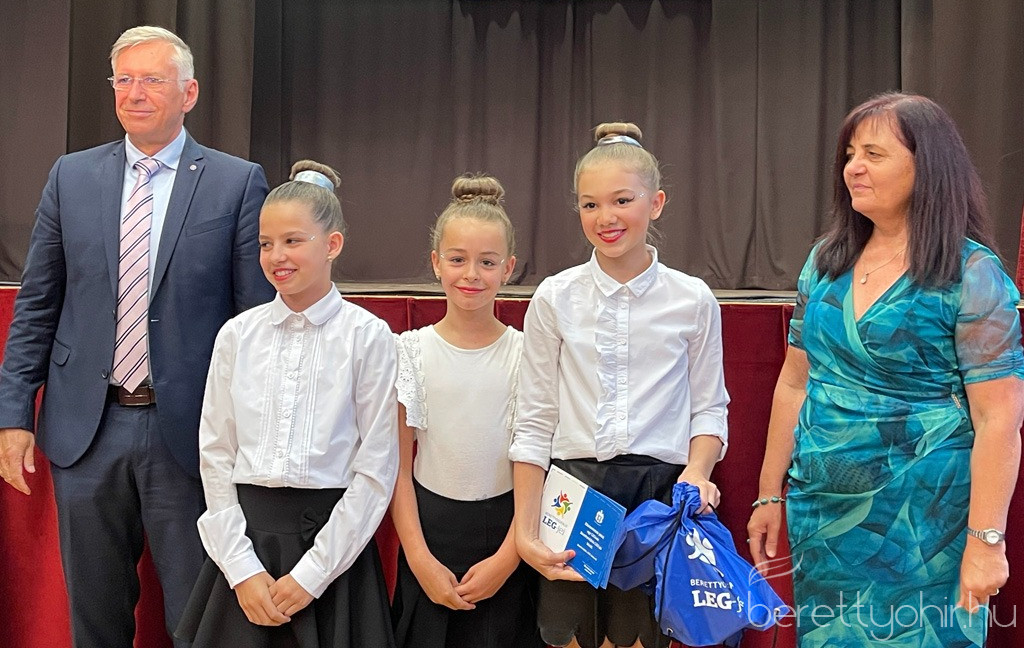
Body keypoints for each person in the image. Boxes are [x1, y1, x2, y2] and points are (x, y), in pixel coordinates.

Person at [0, 26, 273, 647]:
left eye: (151, 79)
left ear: (189, 93)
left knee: (197, 620)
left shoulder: (234, 182)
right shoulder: (72, 177)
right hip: (86, 431)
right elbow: (37, 304)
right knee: (94, 618)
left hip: (192, 434)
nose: (134, 93)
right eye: (123, 80)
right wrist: (13, 412)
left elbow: (254, 322)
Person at [746, 92, 1024, 647]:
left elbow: (999, 420)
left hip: (925, 527)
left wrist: (986, 541)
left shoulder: (971, 273)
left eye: (874, 154)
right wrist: (769, 493)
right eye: (850, 154)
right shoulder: (824, 262)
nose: (854, 167)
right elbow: (795, 382)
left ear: (928, 166)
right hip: (824, 517)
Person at [510, 123, 730, 648]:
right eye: (590, 205)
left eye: (622, 200)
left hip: (657, 498)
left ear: (656, 203)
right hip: (573, 495)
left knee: (639, 639)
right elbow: (534, 419)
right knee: (567, 636)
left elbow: (709, 408)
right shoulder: (555, 297)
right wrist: (524, 530)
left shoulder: (693, 299)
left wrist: (697, 473)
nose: (605, 217)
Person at [176, 160, 399, 648]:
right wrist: (240, 567)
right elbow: (216, 454)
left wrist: (312, 575)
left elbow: (376, 469)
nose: (277, 255)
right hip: (246, 550)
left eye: (293, 240)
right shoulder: (237, 335)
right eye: (265, 243)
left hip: (332, 552)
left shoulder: (368, 337)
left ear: (332, 244)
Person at [390, 174, 542, 648]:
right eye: (457, 259)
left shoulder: (527, 354)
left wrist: (509, 558)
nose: (471, 274)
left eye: (487, 262)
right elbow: (397, 467)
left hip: (508, 535)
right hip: (429, 534)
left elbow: (538, 461)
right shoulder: (409, 351)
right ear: (436, 262)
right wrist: (419, 560)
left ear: (509, 268)